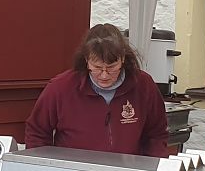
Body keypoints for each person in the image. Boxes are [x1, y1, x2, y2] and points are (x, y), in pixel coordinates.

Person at [25, 23, 170, 157]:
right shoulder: (61, 88)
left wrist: (152, 168)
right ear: (86, 60)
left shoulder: (143, 85)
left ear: (122, 59)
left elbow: (157, 133)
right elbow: (37, 132)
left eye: (112, 67)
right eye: (97, 67)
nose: (104, 75)